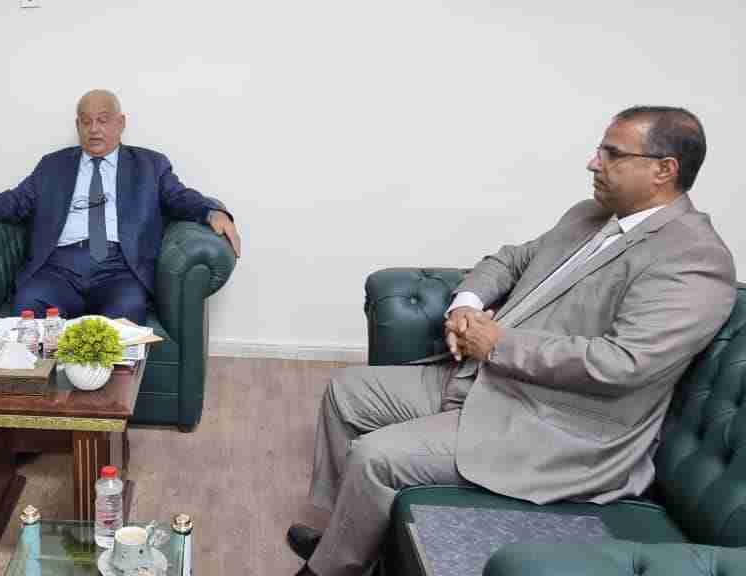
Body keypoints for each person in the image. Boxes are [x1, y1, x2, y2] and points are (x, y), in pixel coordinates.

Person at [287, 106, 735, 576]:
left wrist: (497, 344)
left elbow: (624, 362)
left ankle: (329, 570)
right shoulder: (590, 215)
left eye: (612, 153)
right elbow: (511, 260)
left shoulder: (694, 258)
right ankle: (350, 534)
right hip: (486, 380)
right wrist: (466, 305)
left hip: (554, 425)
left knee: (375, 457)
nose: (593, 162)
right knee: (347, 394)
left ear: (664, 170)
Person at [0, 89, 241, 325]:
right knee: (28, 304)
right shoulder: (53, 165)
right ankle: (41, 387)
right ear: (78, 125)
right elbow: (16, 200)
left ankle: (108, 389)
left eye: (103, 120)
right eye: (86, 121)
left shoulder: (150, 165)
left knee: (128, 309)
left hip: (119, 269)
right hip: (58, 268)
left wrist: (211, 211)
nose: (94, 129)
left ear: (121, 123)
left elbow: (180, 197)